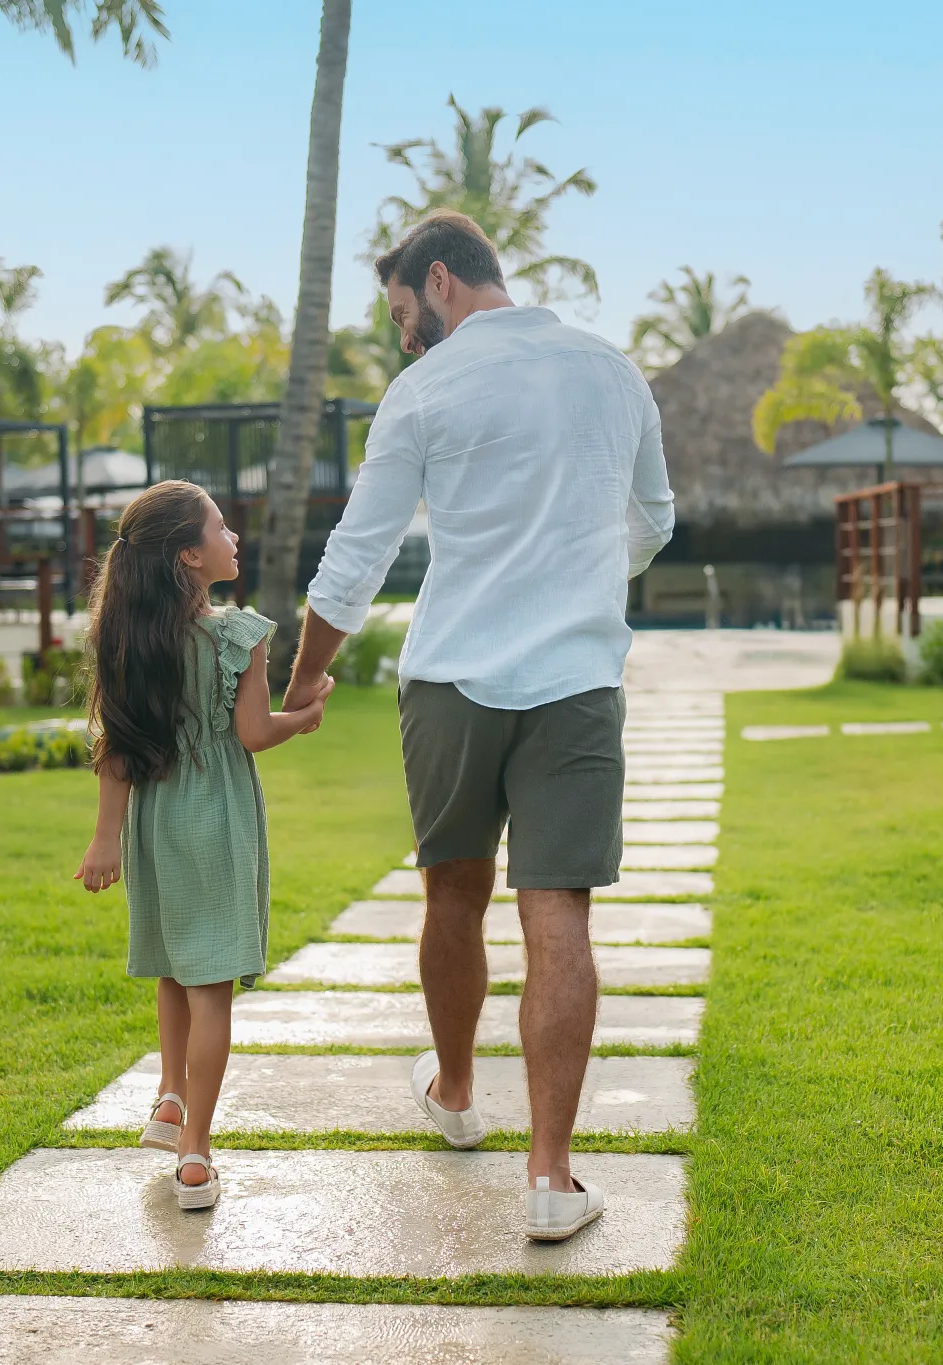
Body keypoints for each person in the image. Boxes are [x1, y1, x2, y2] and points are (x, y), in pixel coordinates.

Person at [285, 211, 675, 1241]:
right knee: (559, 916)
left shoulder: (423, 390)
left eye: (407, 315)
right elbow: (655, 521)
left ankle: (455, 1095)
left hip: (451, 679)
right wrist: (581, 575)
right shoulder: (612, 372)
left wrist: (301, 683)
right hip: (574, 679)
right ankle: (551, 1179)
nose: (407, 337)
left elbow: (355, 557)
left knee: (450, 894)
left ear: (443, 281)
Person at [76, 480, 333, 1211]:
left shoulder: (125, 637)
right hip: (216, 815)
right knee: (211, 983)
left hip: (155, 820)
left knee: (174, 967)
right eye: (221, 528)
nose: (234, 538)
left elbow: (117, 748)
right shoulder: (236, 634)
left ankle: (168, 1098)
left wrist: (105, 840)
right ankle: (195, 1156)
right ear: (190, 554)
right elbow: (254, 733)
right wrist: (306, 713)